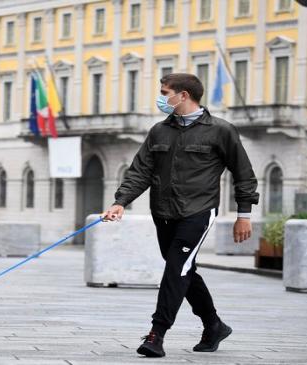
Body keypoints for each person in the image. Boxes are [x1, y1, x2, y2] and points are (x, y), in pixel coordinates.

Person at [102, 73, 259, 358]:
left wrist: (243, 214)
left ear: (183, 95)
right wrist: (120, 202)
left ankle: (156, 334)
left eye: (165, 92)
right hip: (163, 212)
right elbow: (140, 171)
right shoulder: (159, 131)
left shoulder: (221, 130)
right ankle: (213, 325)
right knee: (184, 269)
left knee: (176, 269)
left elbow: (244, 173)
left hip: (198, 211)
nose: (162, 98)